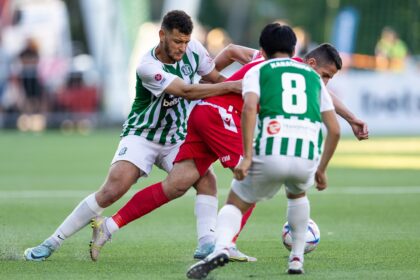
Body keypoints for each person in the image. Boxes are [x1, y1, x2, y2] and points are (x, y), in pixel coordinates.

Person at [88, 42, 364, 263]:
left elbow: (233, 50)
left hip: (203, 113)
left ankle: (109, 226)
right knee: (253, 180)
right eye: (325, 76)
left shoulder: (267, 58)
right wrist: (351, 118)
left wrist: (351, 118)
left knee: (177, 184)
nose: (324, 83)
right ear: (311, 63)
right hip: (223, 116)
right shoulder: (297, 70)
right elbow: (322, 97)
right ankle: (226, 245)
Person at [23, 10, 241, 261]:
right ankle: (51, 243)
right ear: (162, 35)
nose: (182, 48)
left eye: (185, 42)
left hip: (176, 137)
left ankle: (206, 245)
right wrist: (233, 86)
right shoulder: (148, 66)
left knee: (206, 180)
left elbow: (214, 78)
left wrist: (245, 90)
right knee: (112, 189)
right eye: (176, 41)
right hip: (142, 135)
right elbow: (188, 91)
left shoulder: (195, 51)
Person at [186, 23, 340, 278]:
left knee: (235, 202)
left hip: (271, 150)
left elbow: (248, 109)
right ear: (294, 50)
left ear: (262, 50)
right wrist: (321, 169)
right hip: (306, 154)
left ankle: (221, 247)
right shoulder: (313, 77)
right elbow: (333, 129)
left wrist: (247, 157)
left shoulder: (259, 69)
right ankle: (296, 259)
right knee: (298, 196)